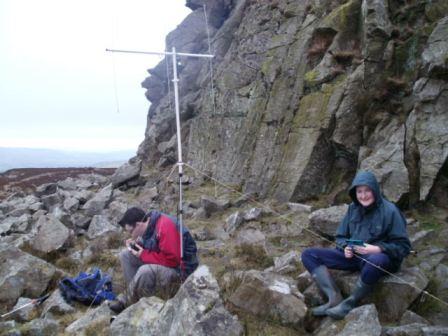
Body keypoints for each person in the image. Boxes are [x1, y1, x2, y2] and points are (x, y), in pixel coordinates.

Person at [301, 171, 411, 319]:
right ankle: (334, 298)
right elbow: (340, 237)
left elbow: (403, 247)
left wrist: (378, 248)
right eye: (359, 191)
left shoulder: (390, 211)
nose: (363, 196)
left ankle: (349, 304)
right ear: (355, 193)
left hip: (380, 260)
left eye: (367, 191)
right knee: (308, 254)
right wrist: (345, 247)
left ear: (375, 190)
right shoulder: (353, 208)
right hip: (354, 257)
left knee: (376, 259)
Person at [108, 207, 182, 314]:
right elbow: (154, 247)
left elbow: (173, 260)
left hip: (179, 272)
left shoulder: (164, 227)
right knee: (125, 255)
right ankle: (135, 296)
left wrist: (143, 254)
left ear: (138, 225)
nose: (131, 235)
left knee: (145, 270)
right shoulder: (148, 228)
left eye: (131, 231)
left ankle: (127, 301)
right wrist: (136, 246)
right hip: (164, 267)